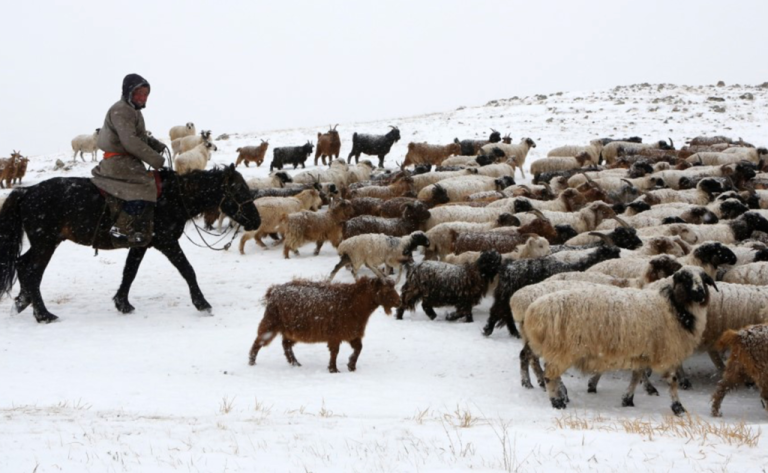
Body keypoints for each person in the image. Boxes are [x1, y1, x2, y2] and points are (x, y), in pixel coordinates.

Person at [92, 73, 169, 248]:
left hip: (127, 160)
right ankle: (122, 227)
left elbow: (137, 136)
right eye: (138, 93)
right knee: (146, 185)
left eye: (145, 94)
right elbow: (129, 141)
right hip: (118, 161)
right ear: (128, 92)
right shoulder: (122, 110)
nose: (142, 97)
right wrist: (156, 159)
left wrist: (156, 144)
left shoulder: (133, 111)